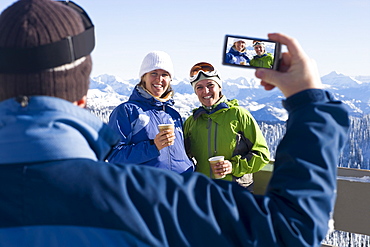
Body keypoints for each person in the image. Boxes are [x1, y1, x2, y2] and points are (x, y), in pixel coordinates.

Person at [0, 0, 349, 246]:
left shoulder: (176, 116)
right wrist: (308, 99)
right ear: (81, 96)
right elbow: (293, 229)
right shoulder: (142, 198)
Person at [183, 62, 270, 189]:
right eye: (199, 87)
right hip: (204, 193)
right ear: (195, 92)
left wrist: (233, 167)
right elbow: (181, 157)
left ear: (219, 87)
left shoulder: (239, 115)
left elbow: (262, 154)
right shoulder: (192, 122)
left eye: (210, 85)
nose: (205, 91)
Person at [107, 51, 194, 173]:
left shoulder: (173, 114)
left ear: (170, 80)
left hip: (180, 186)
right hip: (148, 188)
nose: (159, 79)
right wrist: (153, 146)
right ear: (143, 77)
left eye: (165, 74)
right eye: (154, 73)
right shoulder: (127, 111)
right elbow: (114, 156)